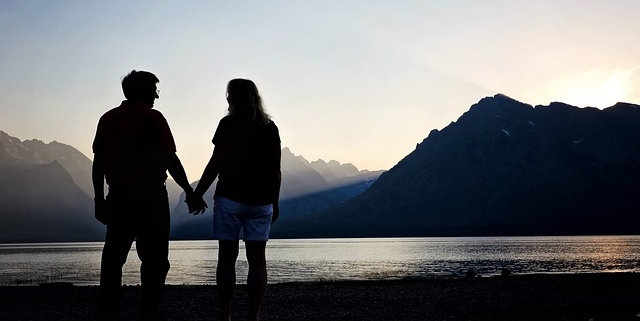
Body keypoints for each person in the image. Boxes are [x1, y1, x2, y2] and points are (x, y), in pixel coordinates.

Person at [92, 70, 203, 320]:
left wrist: (99, 200)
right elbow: (170, 159)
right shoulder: (154, 118)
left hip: (118, 199)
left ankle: (109, 312)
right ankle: (148, 311)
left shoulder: (108, 119)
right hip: (152, 199)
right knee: (155, 262)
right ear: (142, 91)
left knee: (113, 260)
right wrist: (189, 191)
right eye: (154, 90)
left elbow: (98, 163)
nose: (156, 95)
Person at [192, 78, 281, 321]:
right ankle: (253, 317)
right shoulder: (269, 128)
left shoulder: (227, 124)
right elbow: (275, 170)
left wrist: (198, 193)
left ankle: (225, 316)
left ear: (235, 97)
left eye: (229, 94)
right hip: (261, 201)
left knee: (226, 258)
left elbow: (216, 162)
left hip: (230, 198)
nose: (227, 98)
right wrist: (275, 202)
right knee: (257, 260)